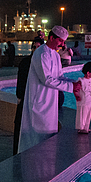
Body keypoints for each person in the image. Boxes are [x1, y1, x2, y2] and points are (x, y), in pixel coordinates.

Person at [18, 26, 81, 154]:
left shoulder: (56, 55)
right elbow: (46, 79)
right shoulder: (41, 53)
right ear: (51, 38)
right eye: (60, 41)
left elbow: (59, 76)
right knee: (36, 138)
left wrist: (74, 83)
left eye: (63, 41)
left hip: (51, 101)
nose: (62, 44)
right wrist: (70, 87)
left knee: (48, 138)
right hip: (39, 100)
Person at [13, 37, 43, 155]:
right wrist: (19, 96)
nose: (35, 49)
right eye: (34, 47)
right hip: (25, 98)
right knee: (20, 126)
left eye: (38, 47)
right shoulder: (25, 62)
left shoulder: (44, 63)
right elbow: (20, 80)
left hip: (38, 101)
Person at [74, 61, 91, 133]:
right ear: (88, 73)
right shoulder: (81, 81)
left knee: (88, 114)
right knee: (82, 114)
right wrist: (77, 96)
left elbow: (90, 90)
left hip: (90, 101)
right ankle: (81, 128)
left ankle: (86, 127)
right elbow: (76, 89)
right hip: (83, 101)